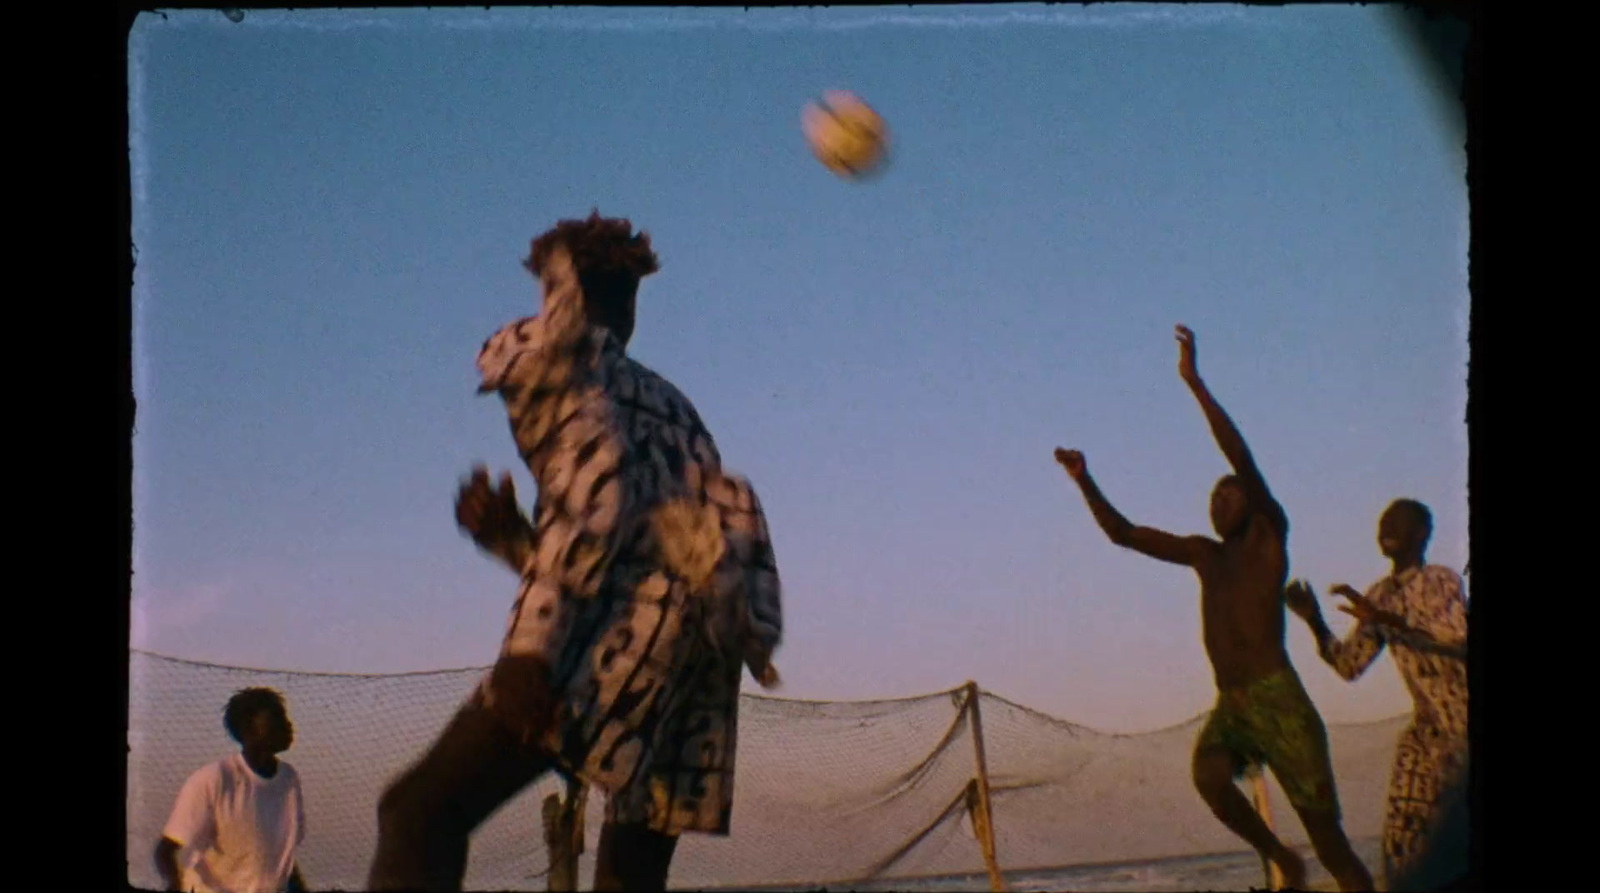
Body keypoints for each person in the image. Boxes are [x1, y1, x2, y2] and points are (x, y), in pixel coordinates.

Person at [367, 211, 783, 892]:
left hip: (607, 645)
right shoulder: (675, 408)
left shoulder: (561, 362)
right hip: (699, 666)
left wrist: (530, 650)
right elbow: (633, 548)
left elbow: (600, 490)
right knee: (630, 873)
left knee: (421, 811)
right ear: (632, 303)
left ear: (556, 291)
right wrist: (510, 539)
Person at [1054, 325, 1373, 891]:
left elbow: (1239, 453)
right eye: (1211, 496)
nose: (1216, 500)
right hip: (1233, 704)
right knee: (1208, 776)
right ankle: (1281, 856)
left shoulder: (1268, 538)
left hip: (1280, 699)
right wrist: (1085, 480)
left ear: (1253, 505)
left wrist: (1194, 382)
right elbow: (1123, 533)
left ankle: (1341, 874)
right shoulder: (1204, 554)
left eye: (1228, 494)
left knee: (1332, 842)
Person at [1286, 498, 1469, 889]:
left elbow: (1456, 639)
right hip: (1429, 734)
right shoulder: (1378, 595)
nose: (1386, 527)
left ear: (1421, 534)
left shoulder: (1443, 579)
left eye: (1398, 521)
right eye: (1384, 520)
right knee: (1402, 841)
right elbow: (1349, 665)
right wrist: (1314, 619)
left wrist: (1390, 620)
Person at [155, 688, 307, 893]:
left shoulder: (288, 780)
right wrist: (175, 883)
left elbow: (283, 858)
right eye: (277, 718)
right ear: (248, 729)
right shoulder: (213, 779)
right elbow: (165, 851)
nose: (288, 725)